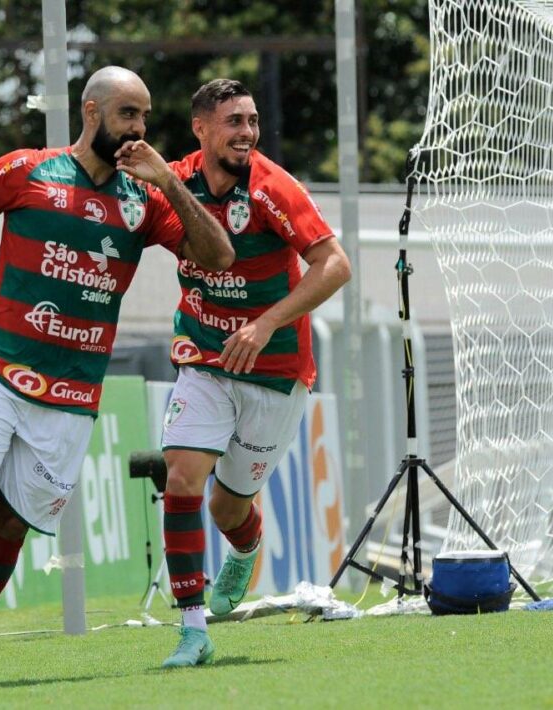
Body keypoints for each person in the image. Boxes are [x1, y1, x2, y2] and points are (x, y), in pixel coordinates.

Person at [0, 66, 233, 686]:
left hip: (73, 395)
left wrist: (172, 190)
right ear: (91, 113)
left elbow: (218, 255)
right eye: (128, 114)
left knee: (11, 524)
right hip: (0, 367)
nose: (139, 129)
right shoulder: (28, 171)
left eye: (145, 116)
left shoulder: (142, 199)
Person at [157, 79, 351, 668]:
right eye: (234, 121)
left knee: (227, 507)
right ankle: (193, 631)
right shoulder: (175, 179)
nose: (247, 132)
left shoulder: (272, 186)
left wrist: (264, 324)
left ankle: (245, 548)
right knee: (184, 477)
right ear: (201, 128)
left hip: (276, 370)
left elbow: (335, 265)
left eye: (252, 121)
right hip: (203, 356)